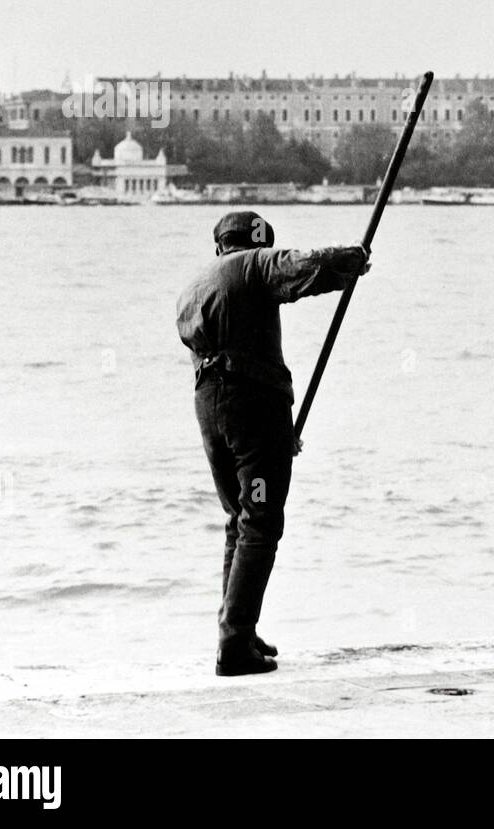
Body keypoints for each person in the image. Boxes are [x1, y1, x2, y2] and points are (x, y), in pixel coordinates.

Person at [176, 211, 370, 676]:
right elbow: (302, 266)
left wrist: (274, 431)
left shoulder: (196, 286)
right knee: (261, 521)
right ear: (249, 243)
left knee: (239, 517)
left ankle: (237, 627)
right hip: (250, 406)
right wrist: (351, 260)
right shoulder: (251, 266)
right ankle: (234, 645)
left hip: (211, 409)